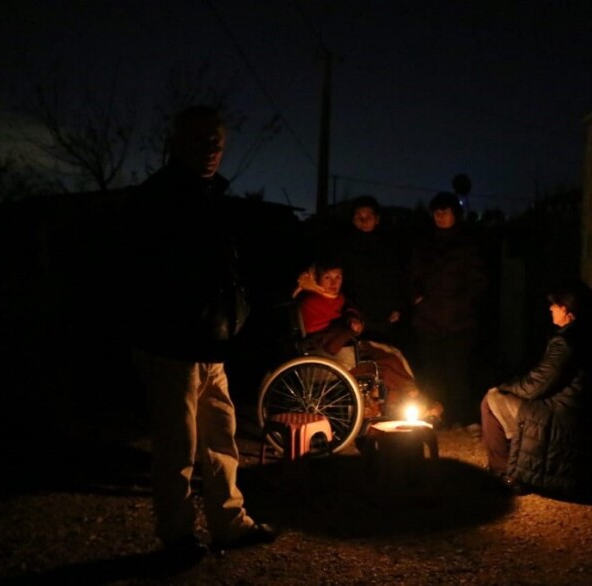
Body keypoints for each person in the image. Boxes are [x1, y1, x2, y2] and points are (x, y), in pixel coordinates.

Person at [123, 105, 275, 561]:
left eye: (218, 143)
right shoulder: (160, 197)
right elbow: (146, 272)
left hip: (210, 343)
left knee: (220, 435)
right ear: (178, 142)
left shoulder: (208, 196)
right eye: (202, 141)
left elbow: (221, 271)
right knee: (178, 444)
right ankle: (178, 535)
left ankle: (229, 521)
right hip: (173, 343)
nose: (212, 150)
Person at [480, 280, 592, 497]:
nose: (550, 309)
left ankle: (505, 471)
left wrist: (506, 386)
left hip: (565, 415)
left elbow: (535, 386)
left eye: (553, 306)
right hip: (585, 409)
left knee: (492, 398)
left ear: (565, 310)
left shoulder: (567, 341)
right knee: (507, 400)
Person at [293, 259, 442, 421]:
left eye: (338, 277)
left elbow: (348, 311)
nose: (334, 283)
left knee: (394, 354)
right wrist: (347, 329)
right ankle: (412, 401)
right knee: (385, 366)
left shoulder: (337, 298)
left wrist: (351, 320)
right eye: (328, 278)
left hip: (347, 347)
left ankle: (408, 402)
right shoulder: (311, 301)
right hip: (332, 356)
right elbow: (321, 335)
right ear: (317, 279)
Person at [407, 192, 487, 430]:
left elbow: (478, 282)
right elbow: (411, 276)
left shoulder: (467, 245)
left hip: (459, 321)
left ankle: (459, 415)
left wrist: (462, 304)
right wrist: (418, 300)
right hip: (428, 319)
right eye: (437, 212)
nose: (440, 217)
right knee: (432, 371)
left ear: (455, 214)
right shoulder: (425, 244)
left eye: (445, 212)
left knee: (457, 371)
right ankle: (435, 414)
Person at [336, 195, 407, 347]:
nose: (364, 221)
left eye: (368, 216)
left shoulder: (389, 246)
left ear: (377, 219)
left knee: (382, 355)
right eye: (359, 216)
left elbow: (397, 277)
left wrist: (397, 307)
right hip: (353, 313)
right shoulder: (344, 246)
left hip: (383, 315)